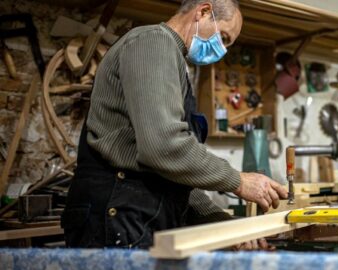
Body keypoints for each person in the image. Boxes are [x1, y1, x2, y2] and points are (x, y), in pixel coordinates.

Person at [61, 0, 287, 249]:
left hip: (139, 213)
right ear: (202, 11)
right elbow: (164, 145)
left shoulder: (172, 58)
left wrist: (222, 225)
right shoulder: (152, 43)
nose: (222, 50)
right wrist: (238, 181)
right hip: (118, 214)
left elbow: (175, 172)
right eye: (223, 37)